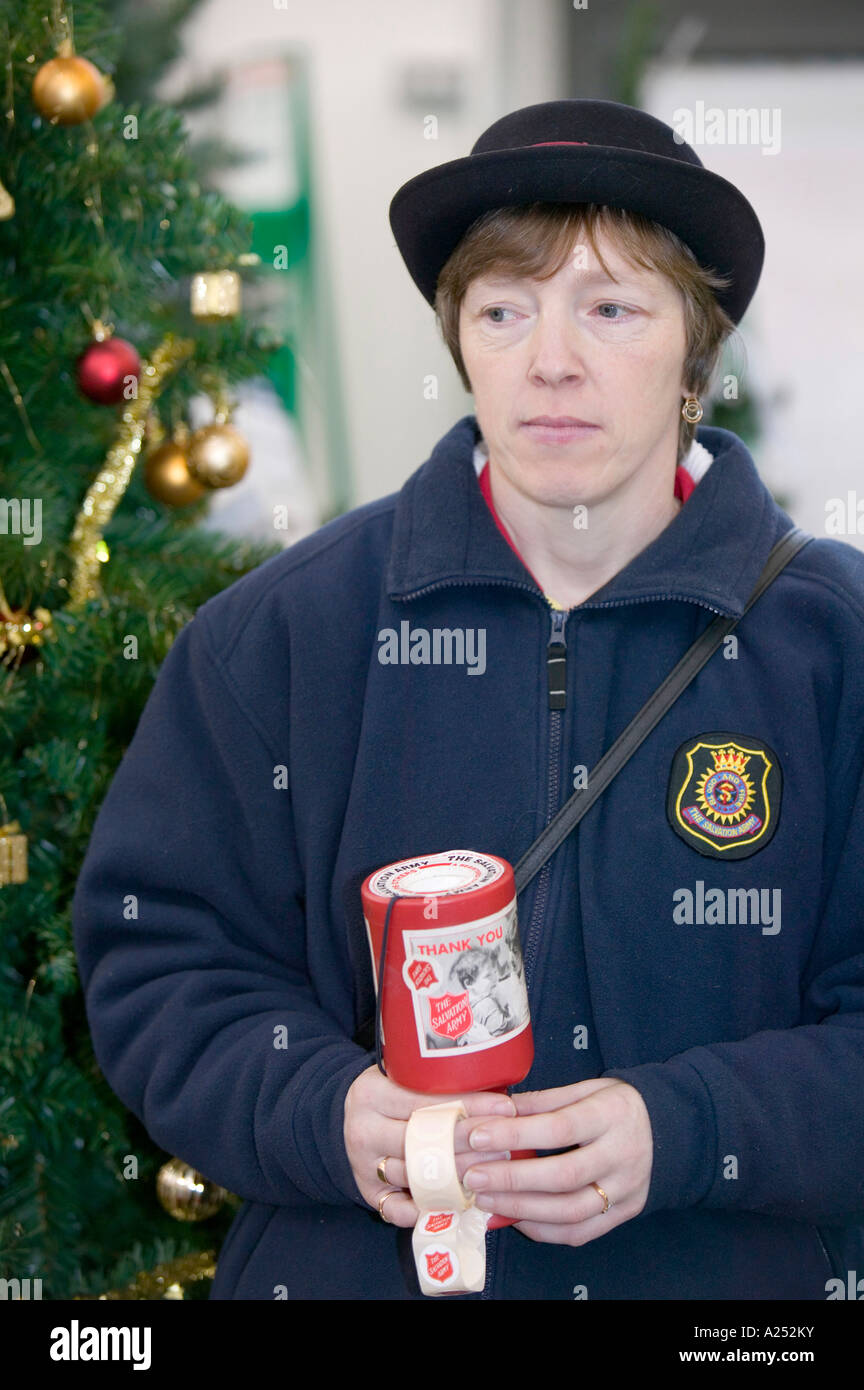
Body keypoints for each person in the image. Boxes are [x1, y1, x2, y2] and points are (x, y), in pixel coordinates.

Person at [72, 98, 864, 1300]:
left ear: (695, 355)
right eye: (504, 310)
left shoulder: (834, 644)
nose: (551, 358)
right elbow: (161, 957)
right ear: (463, 342)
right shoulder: (282, 635)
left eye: (610, 307)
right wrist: (327, 1109)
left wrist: (690, 1128)